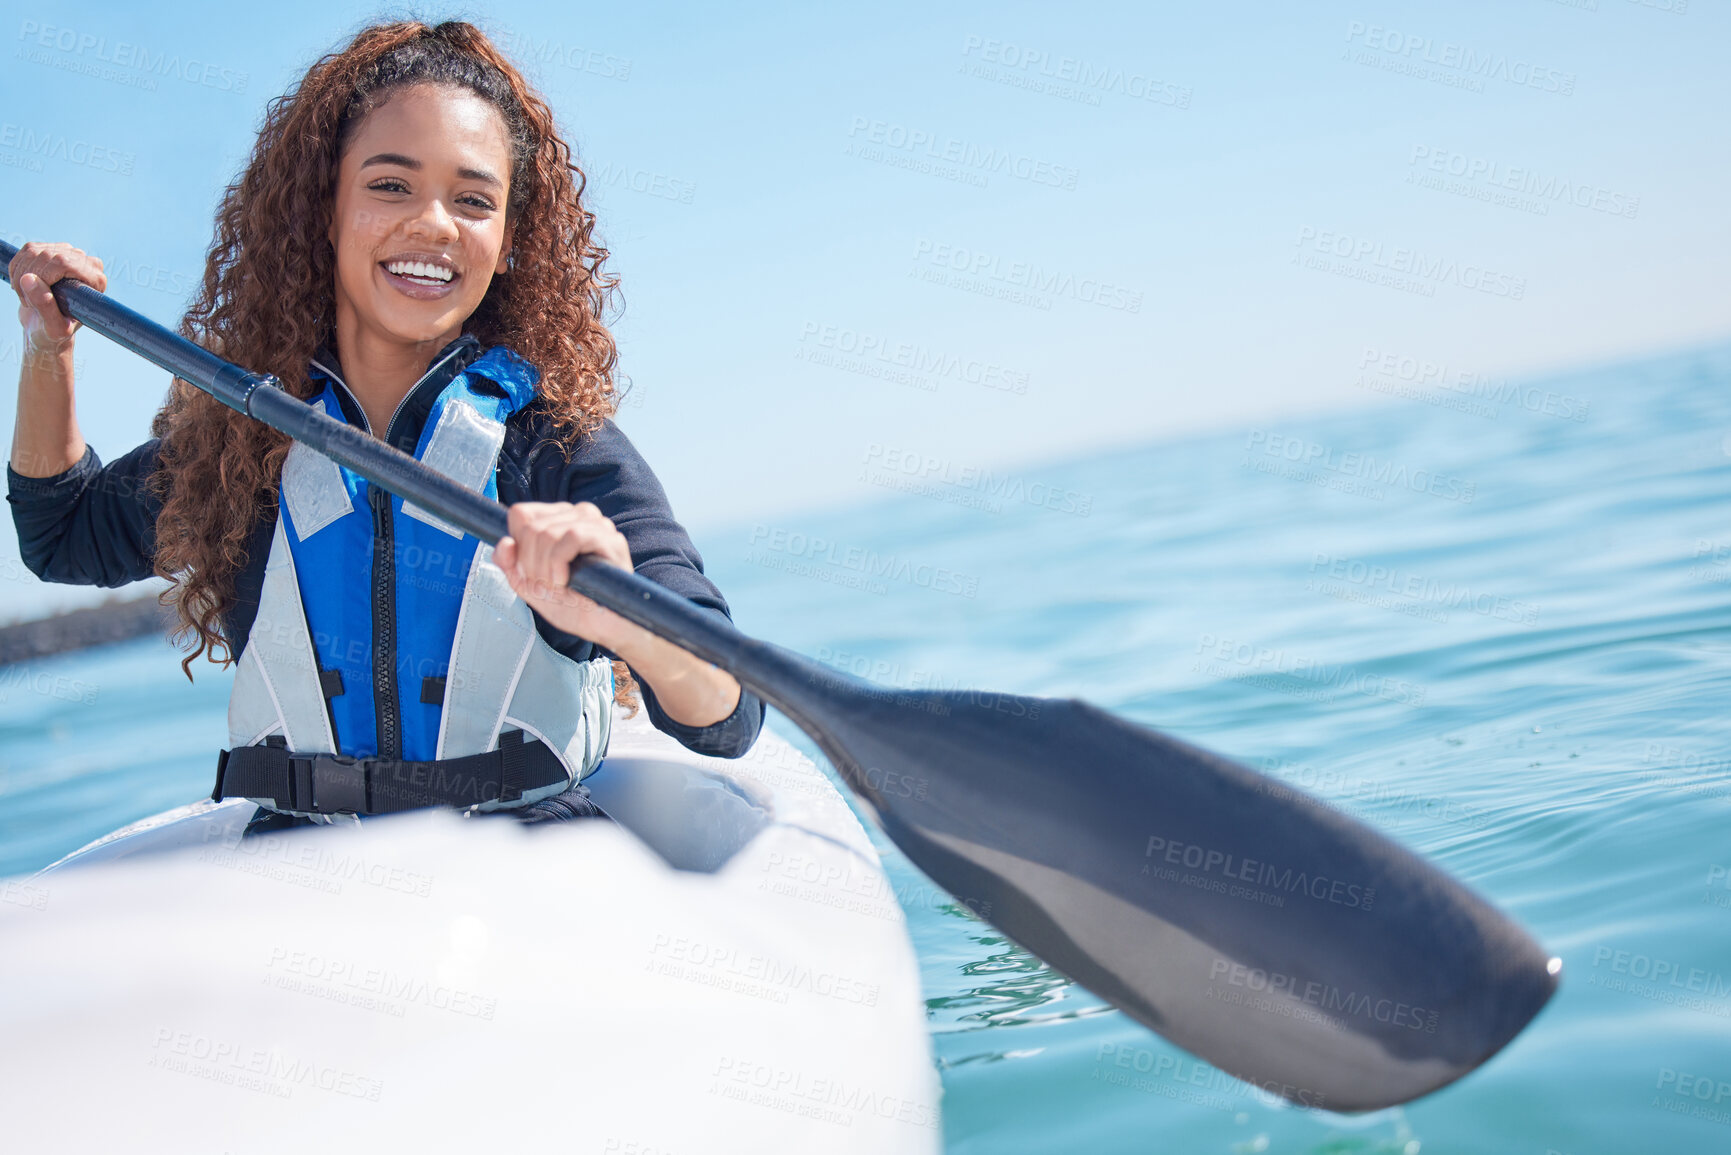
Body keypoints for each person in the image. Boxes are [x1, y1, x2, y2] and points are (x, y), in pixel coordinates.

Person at [6, 20, 762, 829]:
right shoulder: (240, 440)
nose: (434, 224)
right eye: (390, 185)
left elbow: (727, 711)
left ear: (508, 241)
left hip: (527, 869)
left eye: (473, 200)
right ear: (324, 210)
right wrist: (49, 349)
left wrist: (629, 621)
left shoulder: (556, 444)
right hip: (300, 869)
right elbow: (62, 535)